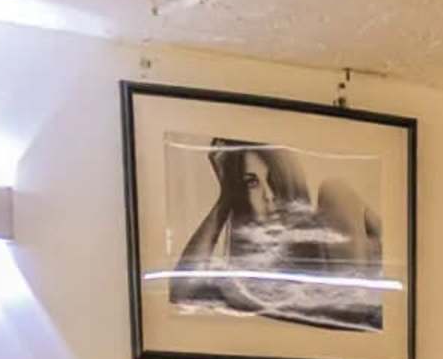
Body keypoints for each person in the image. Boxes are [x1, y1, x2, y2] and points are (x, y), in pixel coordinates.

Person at [164, 140, 386, 333]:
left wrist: (250, 301)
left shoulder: (336, 202)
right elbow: (181, 293)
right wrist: (226, 196)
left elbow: (352, 306)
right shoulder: (251, 281)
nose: (268, 195)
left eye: (273, 179)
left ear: (287, 178)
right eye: (251, 182)